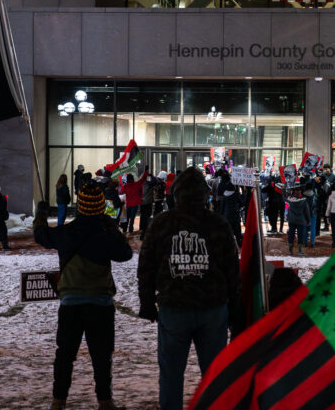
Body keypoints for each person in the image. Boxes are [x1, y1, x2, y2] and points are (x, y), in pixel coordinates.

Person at [138, 167, 242, 410]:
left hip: (174, 307)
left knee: (171, 375)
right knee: (214, 376)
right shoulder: (218, 223)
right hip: (213, 309)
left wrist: (146, 302)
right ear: (204, 195)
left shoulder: (161, 223)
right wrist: (236, 310)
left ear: (176, 194)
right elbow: (232, 270)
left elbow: (146, 266)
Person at [33, 181, 133, 410]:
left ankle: (58, 402)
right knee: (101, 356)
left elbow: (41, 235)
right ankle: (105, 402)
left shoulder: (67, 233)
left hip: (71, 302)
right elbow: (125, 254)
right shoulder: (105, 233)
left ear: (80, 207)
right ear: (100, 207)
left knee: (65, 355)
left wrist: (40, 213)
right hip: (101, 302)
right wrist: (110, 225)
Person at [119, 168, 149, 234]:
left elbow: (121, 193)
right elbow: (143, 179)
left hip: (128, 204)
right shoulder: (136, 184)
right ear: (132, 179)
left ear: (127, 180)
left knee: (127, 218)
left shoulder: (125, 186)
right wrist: (146, 171)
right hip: (135, 204)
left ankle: (124, 229)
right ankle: (130, 230)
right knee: (132, 218)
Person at [286, 184, 311, 255]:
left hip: (291, 219)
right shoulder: (304, 200)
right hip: (301, 220)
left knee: (291, 234)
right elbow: (307, 211)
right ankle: (300, 251)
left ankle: (290, 250)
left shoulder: (290, 199)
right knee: (301, 235)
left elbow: (284, 196)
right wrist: (308, 220)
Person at [219, 178, 243, 248]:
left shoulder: (224, 196)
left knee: (228, 234)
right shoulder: (236, 194)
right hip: (235, 217)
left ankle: (229, 248)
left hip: (227, 217)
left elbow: (222, 208)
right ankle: (241, 248)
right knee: (238, 234)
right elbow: (241, 203)